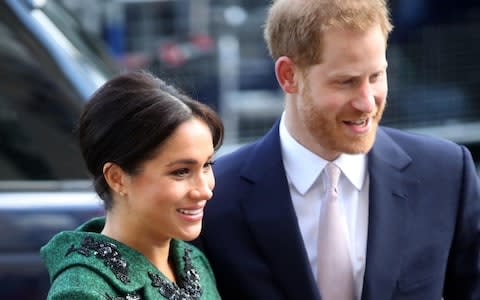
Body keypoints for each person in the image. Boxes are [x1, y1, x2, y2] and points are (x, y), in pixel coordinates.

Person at [192, 0, 480, 299]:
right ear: (288, 75)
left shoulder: (445, 174)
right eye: (346, 82)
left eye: (377, 76)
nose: (368, 102)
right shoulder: (212, 197)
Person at [40, 70, 224, 300]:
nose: (205, 190)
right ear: (117, 178)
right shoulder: (83, 292)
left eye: (207, 165)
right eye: (181, 172)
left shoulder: (193, 261)